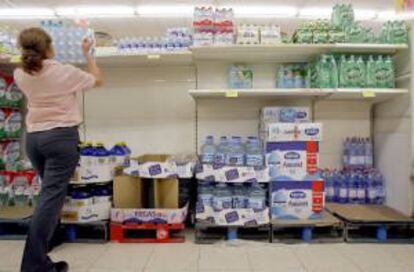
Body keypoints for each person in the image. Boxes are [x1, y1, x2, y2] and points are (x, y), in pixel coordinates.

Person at [14, 27, 103, 272]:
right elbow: (97, 79)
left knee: (49, 197)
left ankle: (47, 247)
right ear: (49, 47)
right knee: (50, 200)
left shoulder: (20, 73)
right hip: (60, 139)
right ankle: (34, 265)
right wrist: (88, 55)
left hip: (34, 140)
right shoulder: (63, 72)